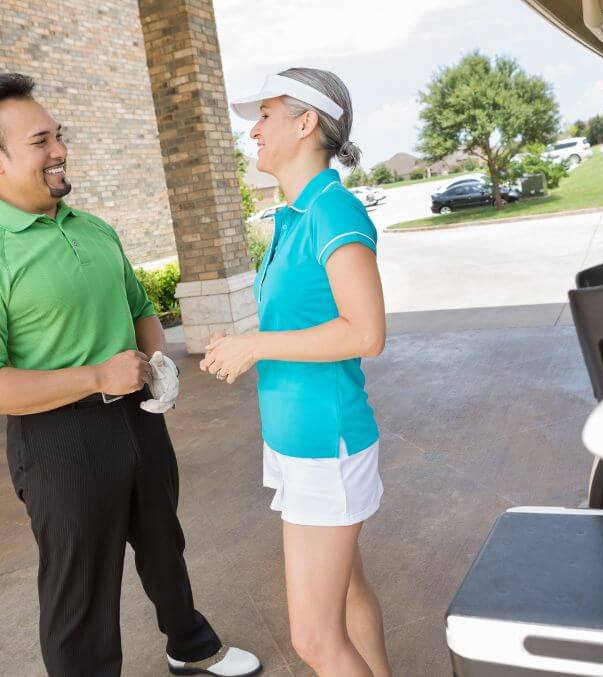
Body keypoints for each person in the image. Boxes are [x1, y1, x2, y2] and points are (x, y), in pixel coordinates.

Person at [0, 73, 261, 677]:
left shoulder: (92, 227)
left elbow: (139, 310)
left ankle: (188, 646)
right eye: (40, 141)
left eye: (58, 135)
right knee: (79, 589)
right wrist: (95, 377)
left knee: (166, 546)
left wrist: (156, 365)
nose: (58, 150)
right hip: (58, 442)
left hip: (138, 417)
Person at [200, 68, 391, 677]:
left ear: (306, 123)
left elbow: (366, 332)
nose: (252, 130)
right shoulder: (295, 215)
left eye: (264, 115)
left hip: (323, 445)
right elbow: (305, 321)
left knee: (313, 640)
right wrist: (246, 342)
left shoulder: (334, 212)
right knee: (348, 593)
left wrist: (255, 344)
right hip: (296, 442)